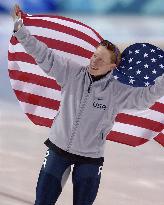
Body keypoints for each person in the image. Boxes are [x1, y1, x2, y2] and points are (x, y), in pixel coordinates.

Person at [11, 5, 164, 205]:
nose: (94, 61)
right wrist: (21, 31)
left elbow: (147, 96)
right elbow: (44, 55)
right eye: (94, 56)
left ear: (112, 66)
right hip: (57, 150)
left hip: (90, 159)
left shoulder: (117, 91)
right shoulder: (71, 72)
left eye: (101, 60)